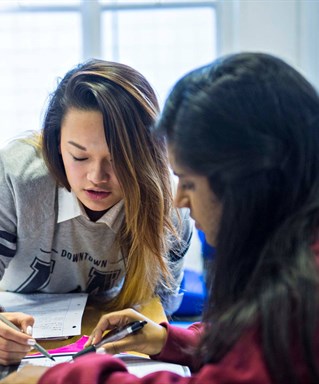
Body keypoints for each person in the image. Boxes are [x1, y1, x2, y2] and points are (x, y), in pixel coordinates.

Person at [2, 51, 319, 383]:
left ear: (252, 179)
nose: (181, 198)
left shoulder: (304, 292)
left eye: (191, 182)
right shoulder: (297, 260)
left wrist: (54, 379)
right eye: (79, 156)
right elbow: (254, 342)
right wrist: (174, 339)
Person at [0, 59, 192, 366]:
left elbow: (159, 314)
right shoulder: (16, 175)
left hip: (102, 338)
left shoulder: (170, 207)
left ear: (145, 154)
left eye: (117, 159)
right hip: (18, 331)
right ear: (55, 145)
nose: (96, 177)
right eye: (79, 156)